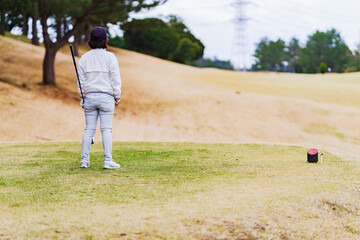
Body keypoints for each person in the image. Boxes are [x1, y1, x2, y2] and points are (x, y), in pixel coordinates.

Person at [77, 27, 121, 169]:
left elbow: (81, 81)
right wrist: (117, 95)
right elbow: (115, 79)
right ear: (105, 40)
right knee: (106, 129)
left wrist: (82, 97)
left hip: (89, 96)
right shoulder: (110, 57)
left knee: (89, 129)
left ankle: (85, 160)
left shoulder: (84, 58)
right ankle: (108, 161)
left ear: (91, 40)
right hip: (106, 97)